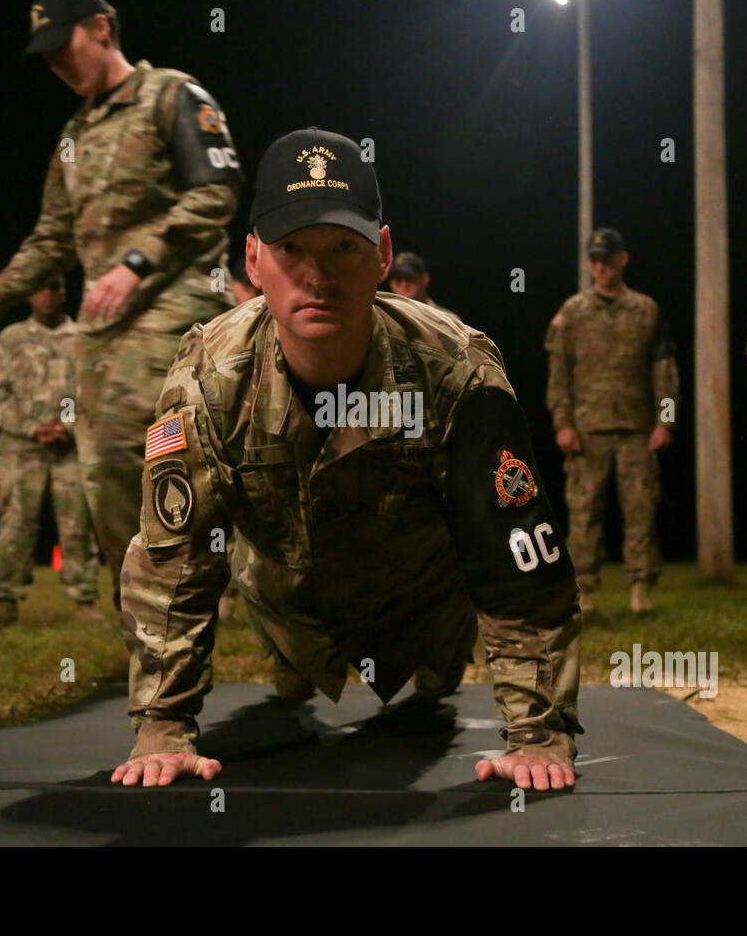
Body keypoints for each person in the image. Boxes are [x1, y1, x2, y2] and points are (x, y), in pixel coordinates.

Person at [111, 128, 583, 792]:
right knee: (287, 703)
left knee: (429, 705)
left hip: (427, 609)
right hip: (283, 604)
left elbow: (517, 555)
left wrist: (538, 733)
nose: (318, 274)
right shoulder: (208, 380)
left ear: (383, 254)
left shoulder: (457, 372)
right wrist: (163, 726)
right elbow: (173, 559)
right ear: (252, 260)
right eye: (290, 250)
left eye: (343, 248)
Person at [0, 0, 242, 604]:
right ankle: (157, 615)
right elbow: (50, 239)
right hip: (104, 328)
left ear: (101, 28)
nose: (56, 65)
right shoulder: (75, 133)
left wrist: (135, 261)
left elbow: (217, 191)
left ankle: (229, 582)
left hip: (176, 304)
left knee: (163, 452)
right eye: (44, 55)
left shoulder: (172, 95)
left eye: (61, 46)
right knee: (103, 474)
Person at [544, 229, 678, 615]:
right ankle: (585, 592)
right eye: (595, 260)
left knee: (642, 509)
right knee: (584, 512)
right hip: (587, 430)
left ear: (623, 259)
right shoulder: (572, 313)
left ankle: (641, 589)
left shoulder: (646, 310)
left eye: (608, 258)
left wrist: (665, 422)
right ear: (590, 264)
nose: (601, 266)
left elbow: (664, 371)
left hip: (637, 429)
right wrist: (562, 423)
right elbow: (559, 374)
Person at [0, 280, 103, 626]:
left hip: (72, 449)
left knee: (78, 525)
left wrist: (67, 427)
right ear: (30, 294)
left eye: (54, 288)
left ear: (64, 293)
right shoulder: (11, 339)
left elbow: (96, 392)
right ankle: (6, 602)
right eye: (41, 288)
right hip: (20, 449)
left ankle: (85, 601)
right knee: (14, 524)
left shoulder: (83, 337)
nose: (47, 294)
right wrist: (32, 427)